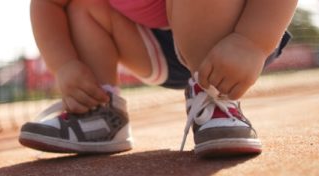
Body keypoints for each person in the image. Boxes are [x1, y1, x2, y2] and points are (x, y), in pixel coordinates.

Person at [19, 0, 296, 157]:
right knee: (81, 5)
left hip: (234, 35)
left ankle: (214, 98)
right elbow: (48, 4)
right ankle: (100, 110)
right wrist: (65, 66)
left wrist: (253, 42)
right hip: (151, 44)